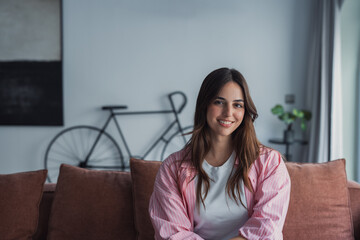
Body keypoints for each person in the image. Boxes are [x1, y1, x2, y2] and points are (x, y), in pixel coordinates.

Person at [149, 67, 291, 240]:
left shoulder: (269, 163)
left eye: (237, 105)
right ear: (204, 105)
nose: (228, 113)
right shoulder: (172, 169)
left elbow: (267, 229)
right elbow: (173, 234)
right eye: (219, 102)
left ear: (245, 110)